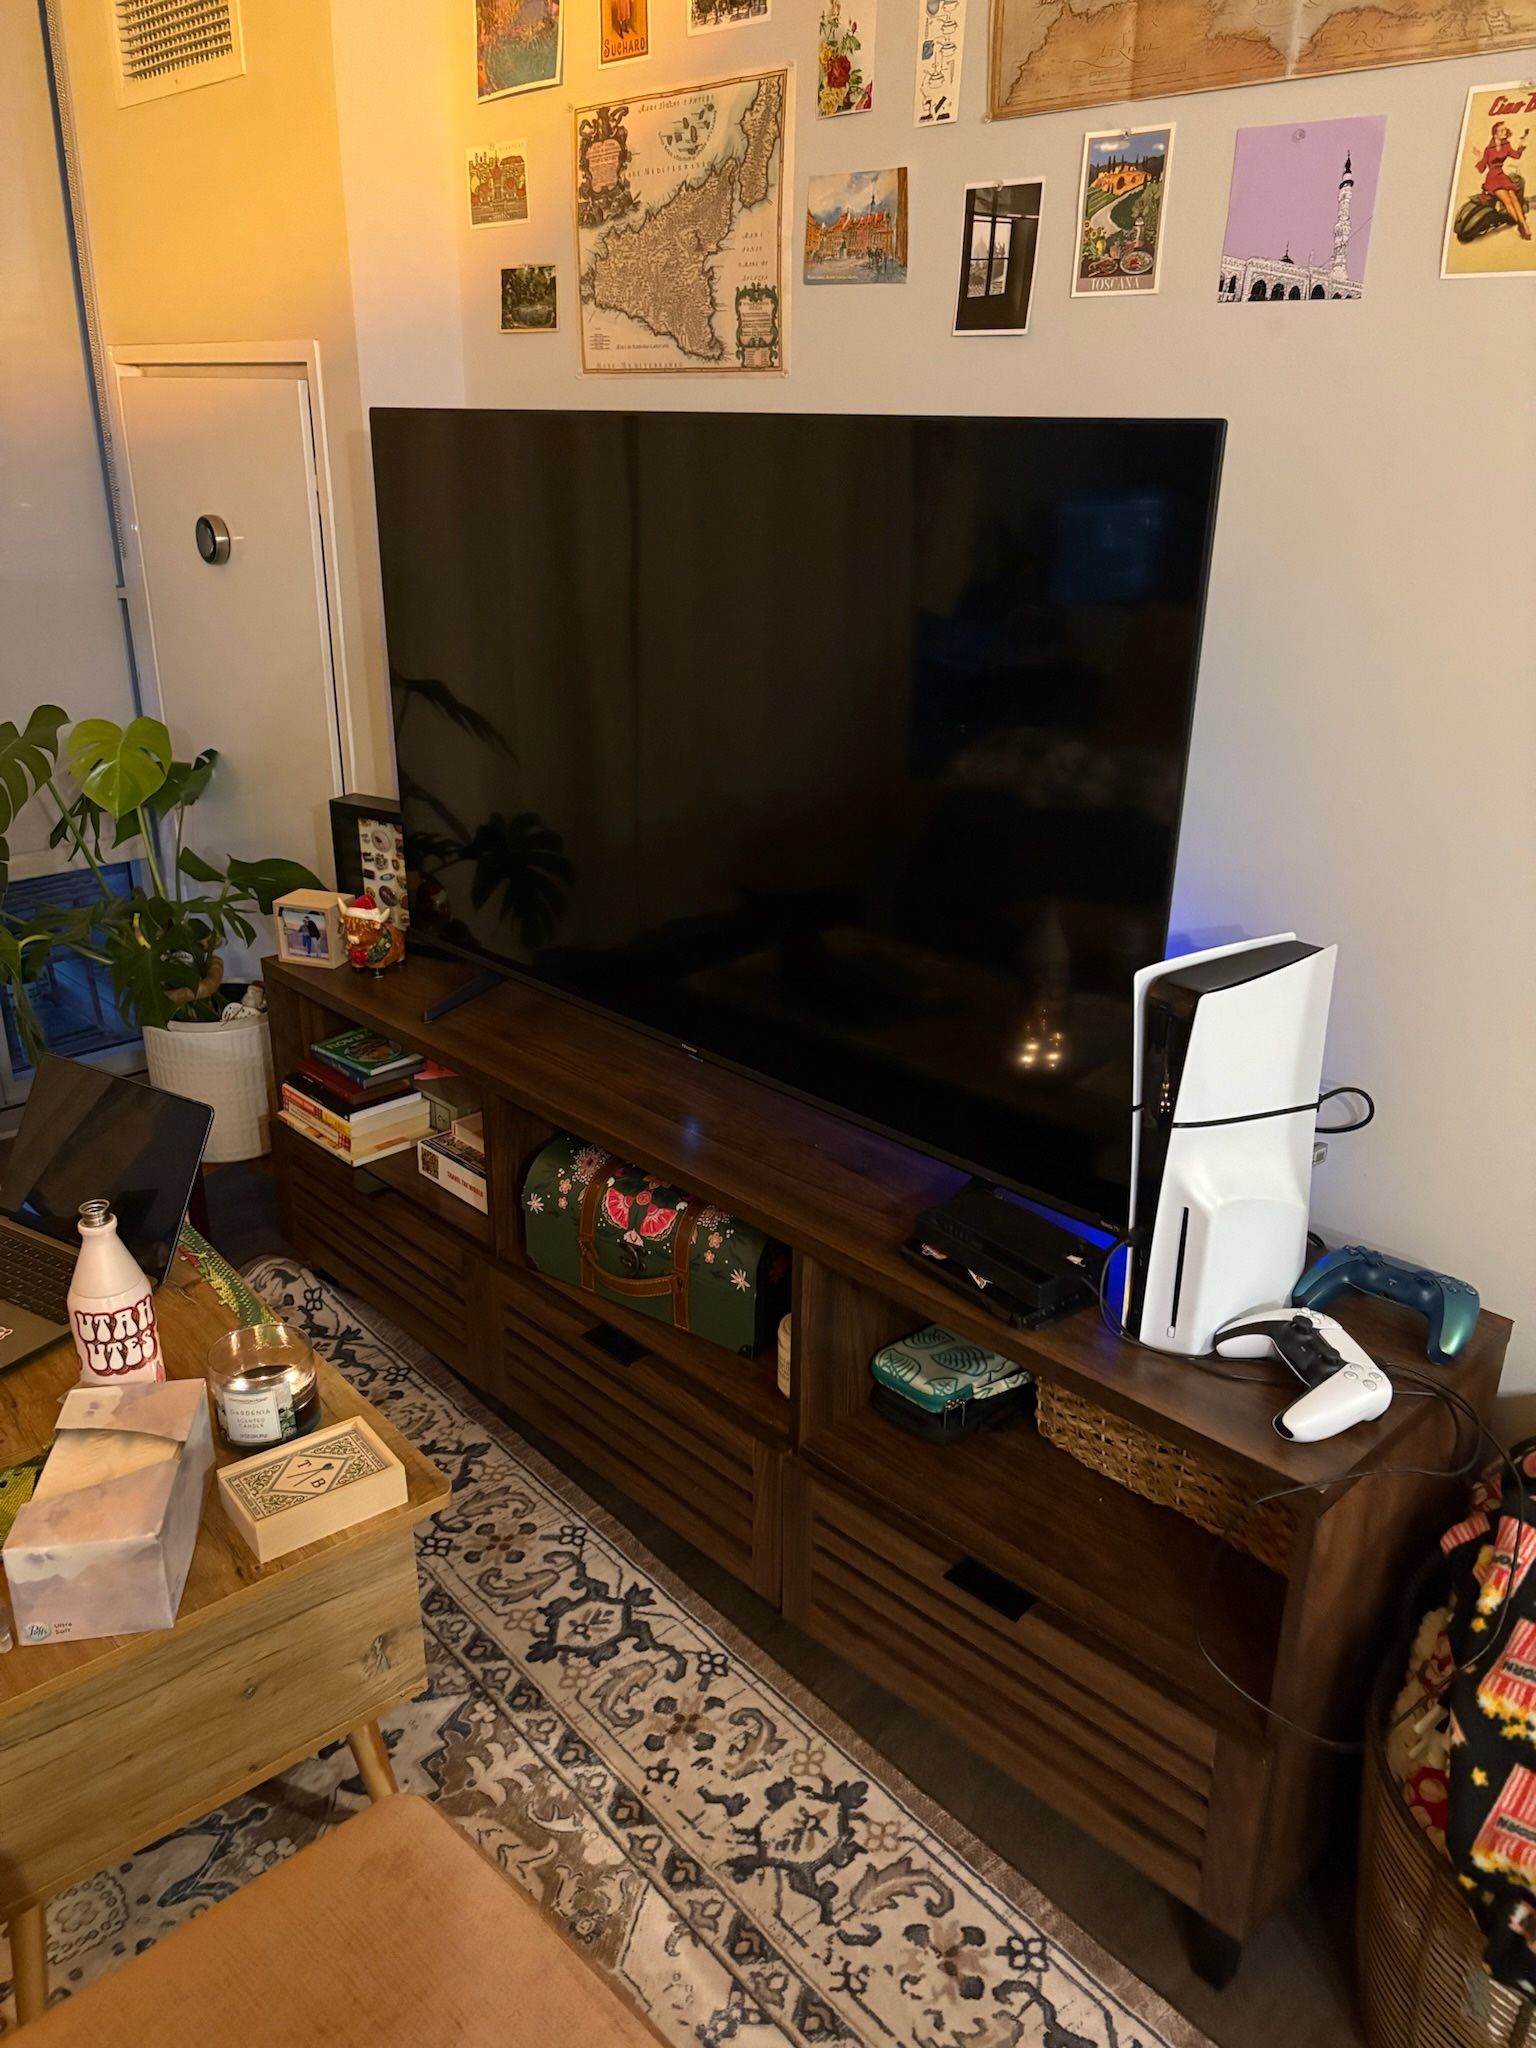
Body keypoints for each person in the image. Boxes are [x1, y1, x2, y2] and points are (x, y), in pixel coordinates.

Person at [1477, 120, 1530, 238]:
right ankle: (1521, 225)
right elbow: (1481, 169)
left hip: (1502, 176)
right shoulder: (1488, 150)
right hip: (1492, 178)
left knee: (1514, 199)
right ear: (1495, 134)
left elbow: (1517, 155)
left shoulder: (1506, 146)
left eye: (1505, 130)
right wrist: (1479, 158)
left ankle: (1524, 225)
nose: (1505, 132)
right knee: (1507, 201)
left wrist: (1522, 143)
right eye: (1501, 130)